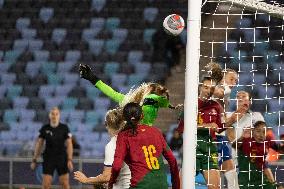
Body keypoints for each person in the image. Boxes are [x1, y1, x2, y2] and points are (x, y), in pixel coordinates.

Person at [79, 63, 181, 126]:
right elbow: (163, 101)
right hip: (146, 137)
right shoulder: (152, 99)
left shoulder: (129, 100)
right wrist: (173, 106)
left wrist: (92, 78)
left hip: (131, 135)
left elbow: (110, 92)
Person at [108, 103, 180, 189]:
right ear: (142, 115)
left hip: (141, 185)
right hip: (162, 185)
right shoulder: (156, 132)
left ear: (124, 118)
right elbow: (172, 160)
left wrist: (111, 182)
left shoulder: (124, 136)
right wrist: (176, 186)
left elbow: (116, 166)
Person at [74, 108, 131, 189]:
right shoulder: (130, 138)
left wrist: (86, 180)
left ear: (106, 124)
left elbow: (106, 177)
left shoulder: (112, 145)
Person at [30, 107, 73, 189]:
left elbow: (69, 144)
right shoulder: (45, 128)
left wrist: (70, 159)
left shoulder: (64, 128)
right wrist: (34, 159)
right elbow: (39, 144)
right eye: (52, 114)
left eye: (56, 114)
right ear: (49, 115)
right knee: (46, 185)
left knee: (65, 184)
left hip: (62, 158)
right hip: (48, 158)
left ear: (59, 116)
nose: (54, 116)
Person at [234, 121, 284, 189]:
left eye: (264, 132)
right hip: (246, 183)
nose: (261, 134)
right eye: (258, 131)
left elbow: (279, 149)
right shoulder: (246, 141)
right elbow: (235, 145)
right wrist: (243, 137)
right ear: (253, 132)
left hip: (261, 180)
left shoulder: (267, 141)